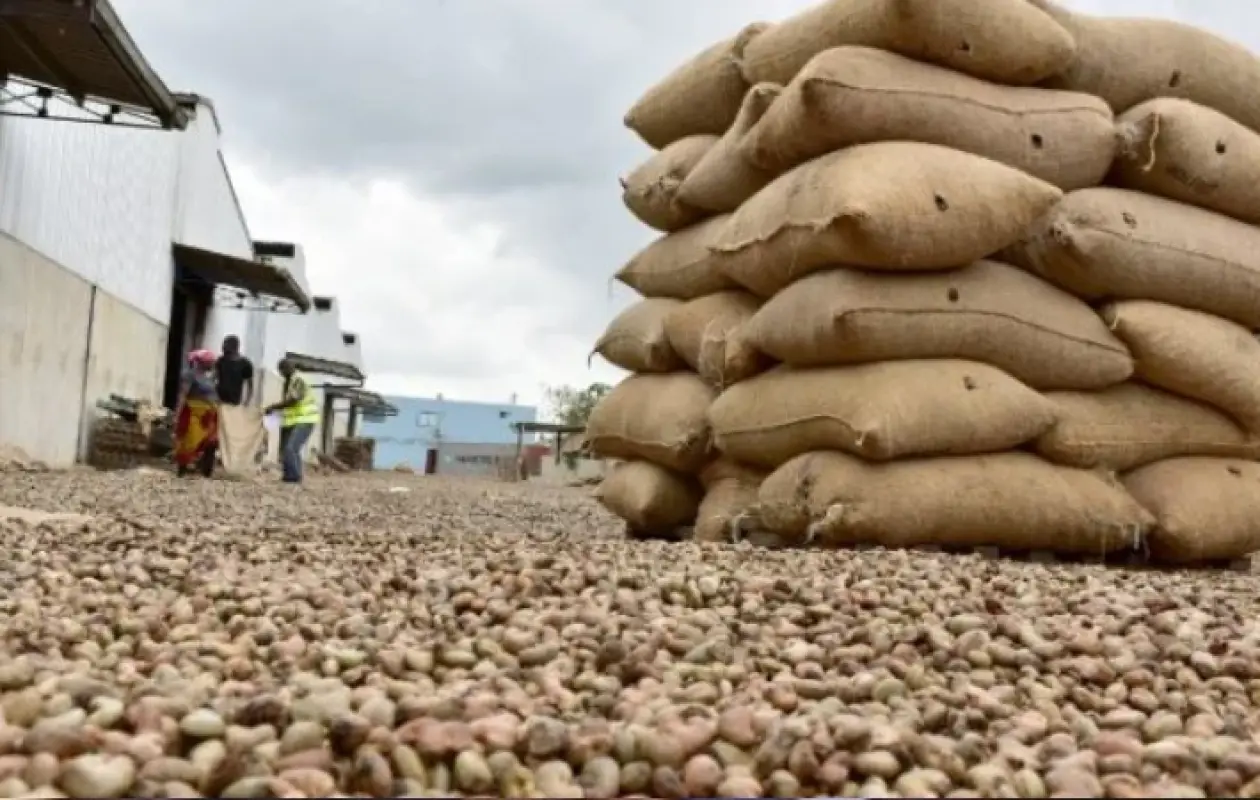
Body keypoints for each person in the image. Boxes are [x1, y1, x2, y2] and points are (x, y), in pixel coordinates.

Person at [265, 358, 320, 484]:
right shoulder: (289, 382)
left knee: (291, 448)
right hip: (292, 420)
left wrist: (273, 407)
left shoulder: (298, 379)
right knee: (288, 449)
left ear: (289, 368)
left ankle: (293, 477)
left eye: (282, 370)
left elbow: (293, 400)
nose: (281, 373)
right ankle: (291, 475)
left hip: (306, 419)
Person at [173, 349, 220, 477]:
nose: (212, 365)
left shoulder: (209, 378)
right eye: (210, 362)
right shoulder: (189, 375)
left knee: (211, 441)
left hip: (209, 414)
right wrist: (178, 413)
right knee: (190, 439)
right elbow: (183, 394)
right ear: (203, 363)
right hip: (194, 413)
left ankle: (206, 471)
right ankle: (182, 468)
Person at [215, 335, 254, 406]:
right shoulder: (221, 360)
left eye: (225, 345)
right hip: (219, 401)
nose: (222, 348)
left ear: (235, 347)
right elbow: (214, 377)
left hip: (234, 402)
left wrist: (247, 401)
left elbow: (250, 385)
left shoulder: (245, 364)